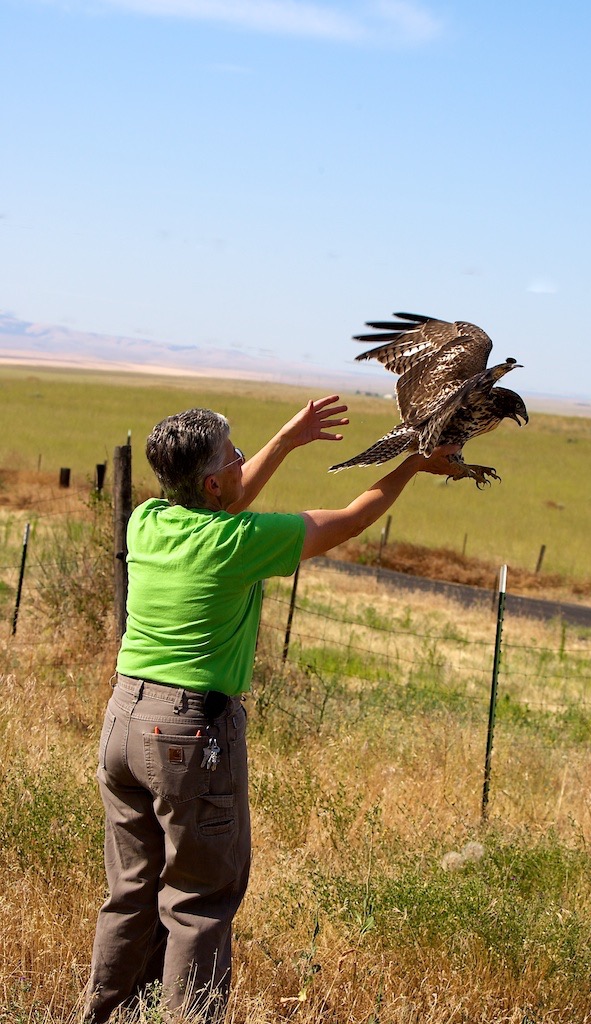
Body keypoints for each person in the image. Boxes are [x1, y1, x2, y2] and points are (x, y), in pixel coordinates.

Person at [84, 395, 464, 1022]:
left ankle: (102, 1013)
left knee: (130, 893)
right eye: (233, 454)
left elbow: (222, 498)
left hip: (123, 720)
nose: (241, 460)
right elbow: (349, 521)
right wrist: (412, 464)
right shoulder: (236, 543)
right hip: (188, 734)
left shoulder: (147, 519)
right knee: (199, 900)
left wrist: (286, 441)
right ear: (211, 481)